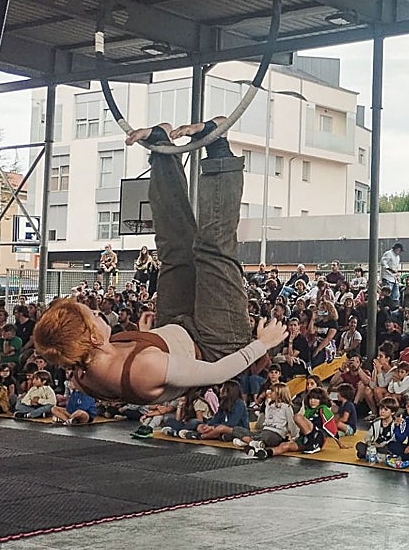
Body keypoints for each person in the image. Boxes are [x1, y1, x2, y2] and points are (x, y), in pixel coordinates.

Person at [33, 119, 289, 404]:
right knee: (213, 250)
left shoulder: (83, 362)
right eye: (92, 316)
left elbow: (125, 358)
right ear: (92, 337)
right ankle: (218, 147)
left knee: (174, 249)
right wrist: (263, 343)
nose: (98, 313)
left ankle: (161, 146)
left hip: (171, 333)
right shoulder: (143, 368)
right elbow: (217, 373)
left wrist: (146, 338)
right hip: (217, 346)